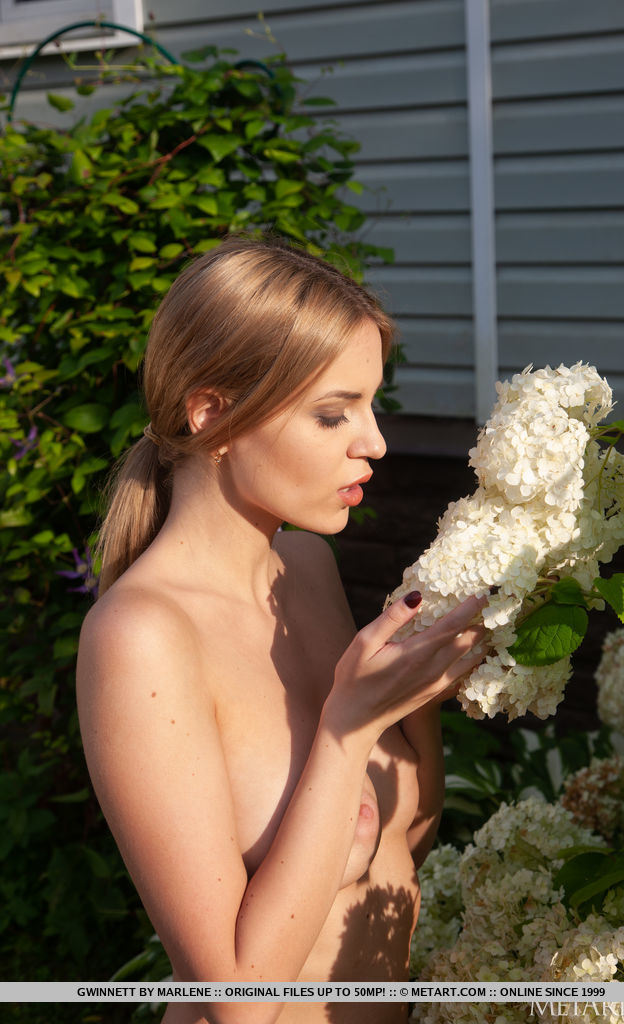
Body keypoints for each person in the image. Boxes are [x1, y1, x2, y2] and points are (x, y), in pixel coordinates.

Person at [76, 236, 487, 1024]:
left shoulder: (305, 568)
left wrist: (420, 685)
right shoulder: (139, 637)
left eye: (371, 404)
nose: (374, 443)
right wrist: (347, 728)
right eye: (332, 414)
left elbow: (409, 840)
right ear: (213, 414)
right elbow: (233, 997)